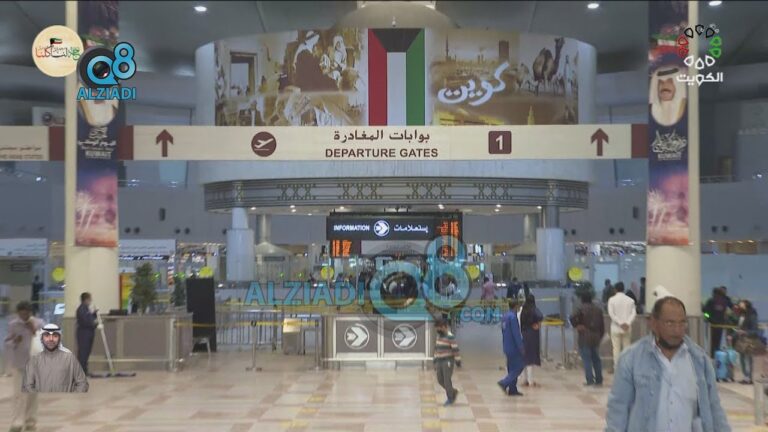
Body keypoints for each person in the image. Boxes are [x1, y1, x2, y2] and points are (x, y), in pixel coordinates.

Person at [605, 296, 730, 432]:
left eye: (682, 323)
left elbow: (714, 408)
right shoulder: (631, 359)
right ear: (653, 323)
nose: (677, 330)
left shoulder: (700, 360)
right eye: (670, 323)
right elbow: (617, 410)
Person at [4, 301, 43, 432]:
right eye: (21, 314)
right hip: (19, 364)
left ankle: (30, 421)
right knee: (18, 395)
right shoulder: (13, 325)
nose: (24, 316)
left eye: (26, 313)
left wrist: (33, 329)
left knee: (32, 394)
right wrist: (14, 341)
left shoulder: (38, 323)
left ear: (30, 312)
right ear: (18, 313)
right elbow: (7, 343)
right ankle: (17, 422)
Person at [23, 323, 89, 393]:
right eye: (47, 335)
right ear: (41, 338)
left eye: (55, 336)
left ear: (60, 338)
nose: (51, 339)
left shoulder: (69, 358)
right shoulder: (34, 360)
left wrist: (71, 397)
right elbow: (27, 385)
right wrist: (39, 397)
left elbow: (82, 383)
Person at [570, 292, 605, 386]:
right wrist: (600, 336)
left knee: (587, 360)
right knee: (596, 359)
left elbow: (572, 318)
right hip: (596, 336)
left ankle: (590, 380)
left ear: (582, 300)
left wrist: (577, 325)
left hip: (584, 336)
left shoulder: (580, 309)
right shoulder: (598, 310)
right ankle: (599, 380)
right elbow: (602, 326)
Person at [498, 299, 525, 396]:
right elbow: (516, 334)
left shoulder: (505, 316)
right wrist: (521, 347)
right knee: (519, 367)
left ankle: (512, 389)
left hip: (506, 345)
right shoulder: (513, 317)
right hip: (514, 347)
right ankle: (504, 382)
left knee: (511, 368)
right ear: (516, 306)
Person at [607, 282, 636, 369]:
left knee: (616, 349)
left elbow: (611, 314)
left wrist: (620, 323)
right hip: (627, 328)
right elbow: (633, 313)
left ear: (615, 289)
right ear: (624, 289)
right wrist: (627, 323)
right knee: (627, 349)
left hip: (615, 328)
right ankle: (627, 368)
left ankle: (617, 368)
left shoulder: (611, 300)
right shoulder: (630, 300)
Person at [433, 319, 461, 406]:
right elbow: (437, 348)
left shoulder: (450, 336)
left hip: (447, 361)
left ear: (444, 327)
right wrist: (435, 360)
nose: (437, 330)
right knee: (440, 380)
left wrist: (458, 360)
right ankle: (453, 391)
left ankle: (450, 398)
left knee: (446, 380)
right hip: (439, 361)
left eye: (439, 328)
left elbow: (455, 349)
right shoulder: (439, 336)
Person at [519, 294, 543, 387]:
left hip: (524, 334)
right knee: (531, 358)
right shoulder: (533, 309)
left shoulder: (522, 310)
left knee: (525, 357)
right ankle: (530, 381)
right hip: (532, 334)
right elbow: (540, 316)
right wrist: (537, 324)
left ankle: (525, 379)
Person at [735, 300, 759, 385]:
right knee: (742, 358)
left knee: (748, 358)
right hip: (741, 340)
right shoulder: (742, 315)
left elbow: (754, 330)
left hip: (749, 340)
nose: (739, 305)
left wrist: (745, 332)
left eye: (741, 304)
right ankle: (745, 376)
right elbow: (739, 326)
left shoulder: (752, 315)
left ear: (746, 305)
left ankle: (749, 377)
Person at [703, 287, 732, 358]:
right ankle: (717, 355)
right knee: (718, 342)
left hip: (711, 324)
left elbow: (705, 311)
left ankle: (712, 356)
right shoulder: (724, 301)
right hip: (721, 324)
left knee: (711, 342)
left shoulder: (711, 301)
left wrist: (707, 318)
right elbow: (729, 309)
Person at [76, 292, 99, 375]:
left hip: (89, 333)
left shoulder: (86, 309)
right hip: (84, 334)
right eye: (89, 299)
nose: (90, 301)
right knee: (83, 353)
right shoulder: (81, 309)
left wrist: (94, 314)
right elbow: (86, 321)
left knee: (87, 353)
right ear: (85, 300)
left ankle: (85, 370)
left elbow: (89, 318)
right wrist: (94, 323)